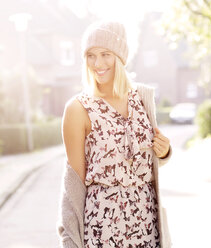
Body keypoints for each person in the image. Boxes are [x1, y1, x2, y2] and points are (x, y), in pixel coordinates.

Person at [56, 20, 173, 248]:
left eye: (105, 54)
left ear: (120, 57)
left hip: (147, 225)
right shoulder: (78, 109)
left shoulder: (142, 98)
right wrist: (69, 241)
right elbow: (73, 186)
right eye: (91, 55)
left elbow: (145, 159)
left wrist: (165, 151)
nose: (97, 63)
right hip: (103, 229)